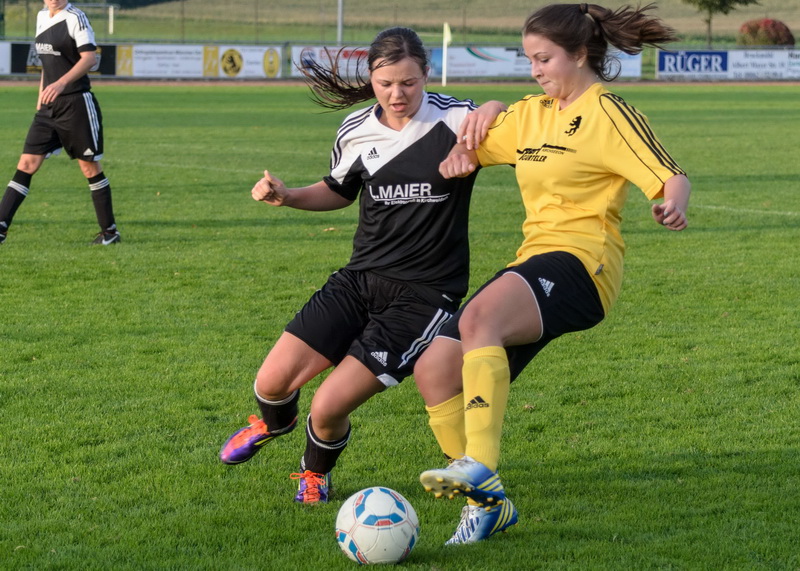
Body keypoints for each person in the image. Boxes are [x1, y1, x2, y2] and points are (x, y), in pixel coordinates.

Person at [415, 2, 692, 545]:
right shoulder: (532, 113)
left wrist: (672, 204)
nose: (535, 69)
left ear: (580, 53)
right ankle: (485, 506)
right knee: (435, 371)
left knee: (479, 320)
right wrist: (470, 137)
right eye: (529, 59)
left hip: (584, 264)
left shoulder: (608, 112)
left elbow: (670, 175)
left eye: (544, 59)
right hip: (533, 260)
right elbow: (472, 144)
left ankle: (479, 466)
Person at [218, 27, 504, 504]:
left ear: (426, 74)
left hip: (424, 295)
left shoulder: (455, 118)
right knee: (271, 382)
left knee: (328, 406)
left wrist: (488, 112)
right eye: (385, 83)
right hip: (359, 280)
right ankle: (274, 424)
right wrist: (287, 196)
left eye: (409, 83)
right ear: (371, 78)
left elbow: (506, 118)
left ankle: (314, 473)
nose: (397, 94)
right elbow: (338, 190)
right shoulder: (355, 129)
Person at [0, 0, 120, 246]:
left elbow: (89, 58)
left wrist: (61, 83)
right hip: (48, 108)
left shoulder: (76, 17)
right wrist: (41, 98)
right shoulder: (42, 17)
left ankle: (110, 233)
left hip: (76, 104)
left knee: (89, 168)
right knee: (27, 163)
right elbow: (47, 65)